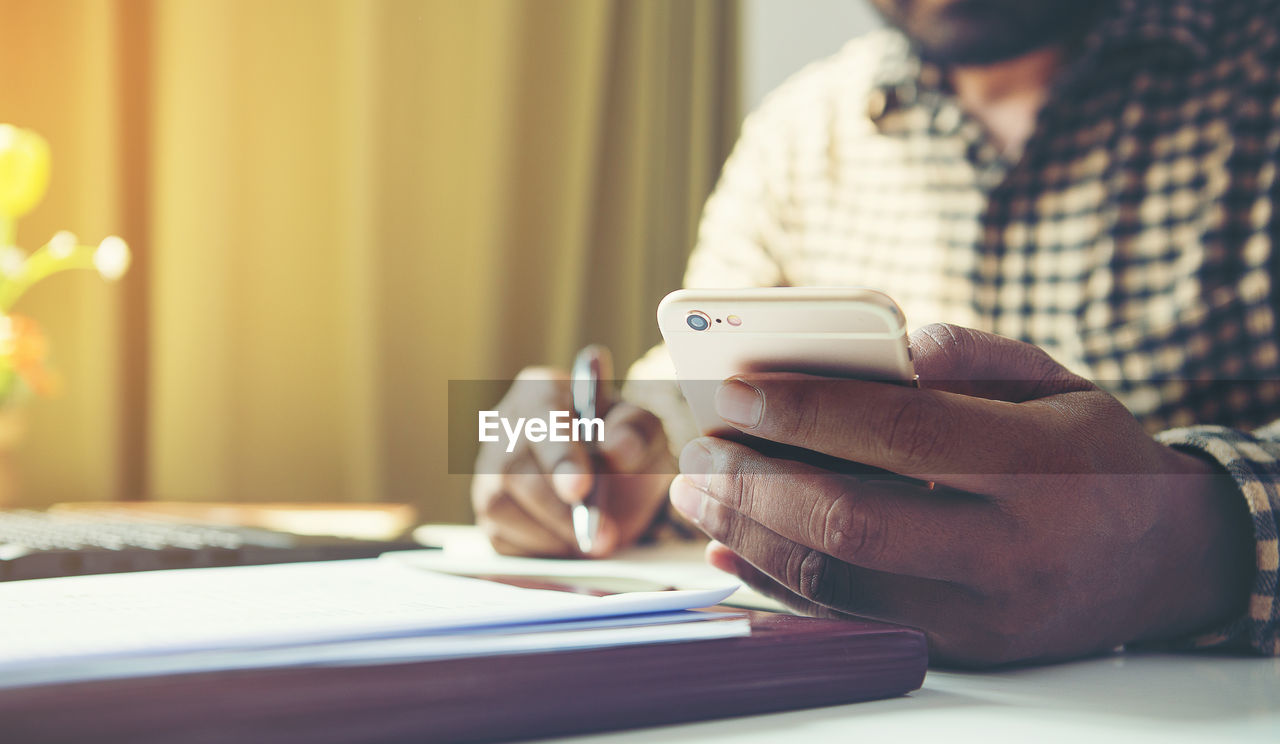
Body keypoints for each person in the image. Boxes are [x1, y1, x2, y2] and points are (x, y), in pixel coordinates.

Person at [472, 0, 1280, 666]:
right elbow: (690, 406)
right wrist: (607, 460)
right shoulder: (797, 135)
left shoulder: (1260, 80)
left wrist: (1194, 543)